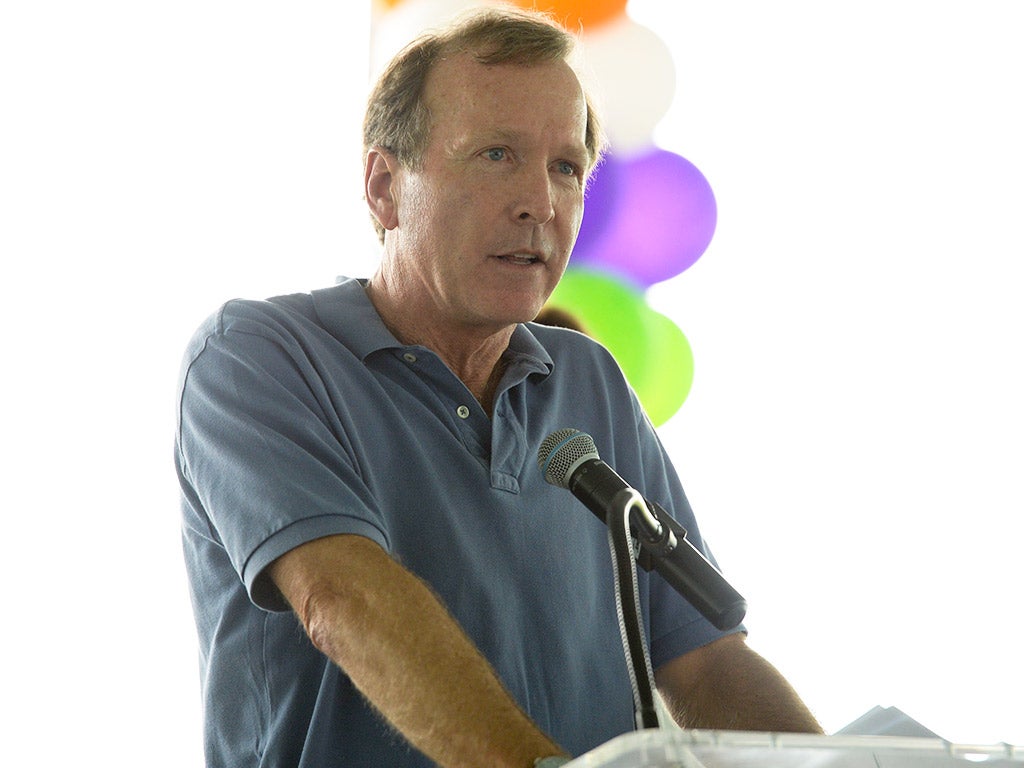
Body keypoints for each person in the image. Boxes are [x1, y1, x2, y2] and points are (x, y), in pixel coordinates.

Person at [175, 8, 822, 768]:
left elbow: (706, 661)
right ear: (385, 189)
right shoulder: (258, 357)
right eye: (496, 154)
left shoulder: (590, 380)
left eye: (565, 167)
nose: (540, 203)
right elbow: (343, 602)